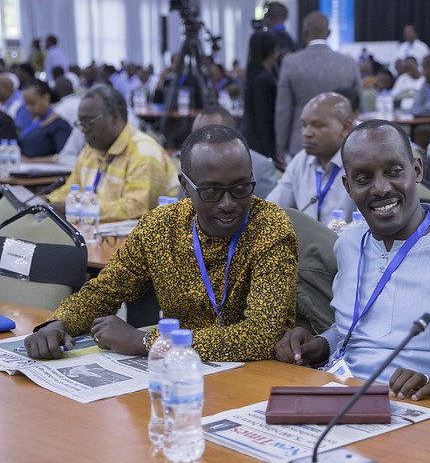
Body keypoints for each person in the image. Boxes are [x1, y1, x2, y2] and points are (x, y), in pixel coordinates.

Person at [274, 120, 430, 392]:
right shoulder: (349, 243)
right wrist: (321, 345)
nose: (380, 188)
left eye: (394, 171)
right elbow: (354, 331)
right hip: (342, 401)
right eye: (364, 178)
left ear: (416, 170)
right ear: (348, 186)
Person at [25, 125, 298, 362]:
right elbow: (104, 291)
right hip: (178, 371)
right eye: (211, 191)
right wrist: (59, 323)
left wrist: (146, 342)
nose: (228, 204)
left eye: (241, 188)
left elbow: (261, 336)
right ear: (186, 186)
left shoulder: (270, 227)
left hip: (254, 374)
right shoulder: (160, 227)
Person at [44, 86, 177, 221]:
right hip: (95, 233)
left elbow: (136, 207)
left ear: (114, 117)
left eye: (89, 121)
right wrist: (46, 203)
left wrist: (77, 209)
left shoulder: (143, 152)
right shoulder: (91, 150)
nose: (83, 129)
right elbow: (72, 190)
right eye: (80, 122)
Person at [275, 11, 361, 166]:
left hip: (301, 143)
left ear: (304, 33)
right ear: (329, 33)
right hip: (341, 143)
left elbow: (283, 111)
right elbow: (359, 105)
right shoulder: (348, 63)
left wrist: (281, 148)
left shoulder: (290, 64)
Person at [267, 92, 356, 223]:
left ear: (345, 128)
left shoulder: (360, 162)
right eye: (304, 125)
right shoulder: (301, 160)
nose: (306, 133)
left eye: (317, 125)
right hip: (309, 243)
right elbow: (270, 210)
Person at [192, 105, 278, 198]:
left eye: (208, 137)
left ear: (230, 134)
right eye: (194, 137)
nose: (199, 144)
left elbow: (271, 208)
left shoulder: (261, 167)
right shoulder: (190, 165)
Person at [240, 31, 279, 159]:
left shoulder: (254, 76)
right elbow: (263, 117)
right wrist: (270, 151)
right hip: (260, 142)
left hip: (252, 137)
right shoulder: (263, 79)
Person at [19, 79, 72, 160]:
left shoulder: (60, 126)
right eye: (26, 104)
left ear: (45, 98)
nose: (29, 108)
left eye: (32, 103)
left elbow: (64, 157)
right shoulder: (33, 122)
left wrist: (31, 161)